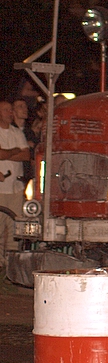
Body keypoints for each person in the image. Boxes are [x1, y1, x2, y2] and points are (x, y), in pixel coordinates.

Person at [0, 100, 30, 269]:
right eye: (6, 110)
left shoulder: (17, 132)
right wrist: (13, 151)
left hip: (16, 188)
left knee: (14, 228)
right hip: (1, 189)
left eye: (11, 110)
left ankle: (10, 266)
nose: (10, 113)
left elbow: (26, 155)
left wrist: (5, 154)